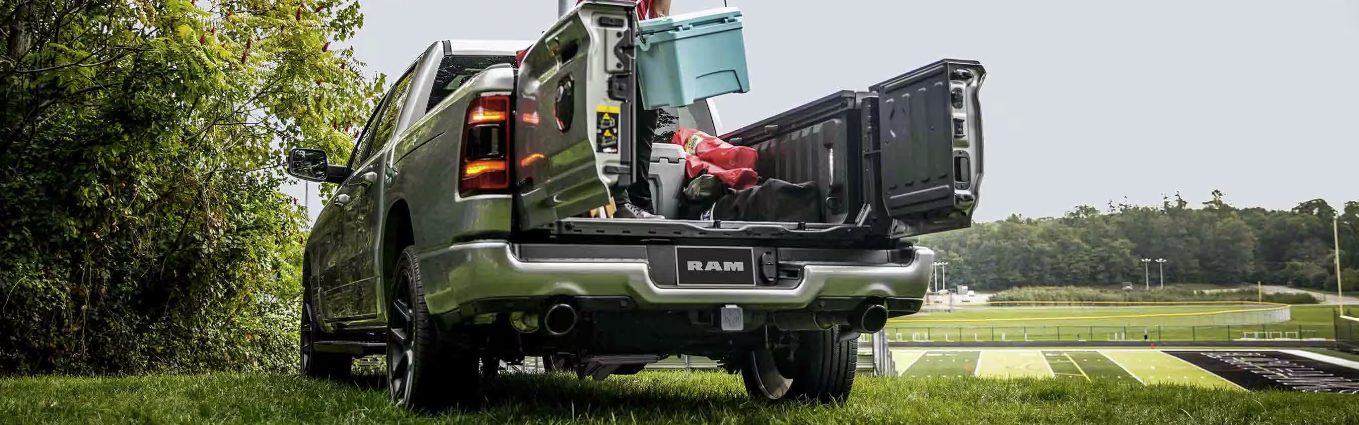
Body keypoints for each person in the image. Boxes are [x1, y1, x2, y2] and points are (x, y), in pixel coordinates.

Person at [519, 0, 671, 218]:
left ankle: (639, 204)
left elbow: (659, 13)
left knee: (642, 122)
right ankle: (619, 202)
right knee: (614, 117)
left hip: (635, 44)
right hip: (602, 33)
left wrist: (658, 45)